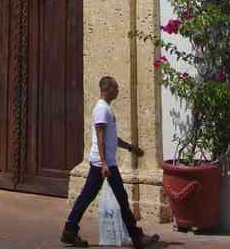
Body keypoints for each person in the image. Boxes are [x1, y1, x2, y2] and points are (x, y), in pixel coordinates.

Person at [61, 75, 159, 249]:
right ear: (107, 89)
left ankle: (70, 230)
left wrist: (130, 147)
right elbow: (100, 138)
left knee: (87, 196)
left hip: (103, 163)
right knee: (121, 198)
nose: (118, 91)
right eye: (115, 88)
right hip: (103, 164)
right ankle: (137, 238)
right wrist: (105, 164)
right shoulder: (101, 109)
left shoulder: (106, 109)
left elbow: (111, 137)